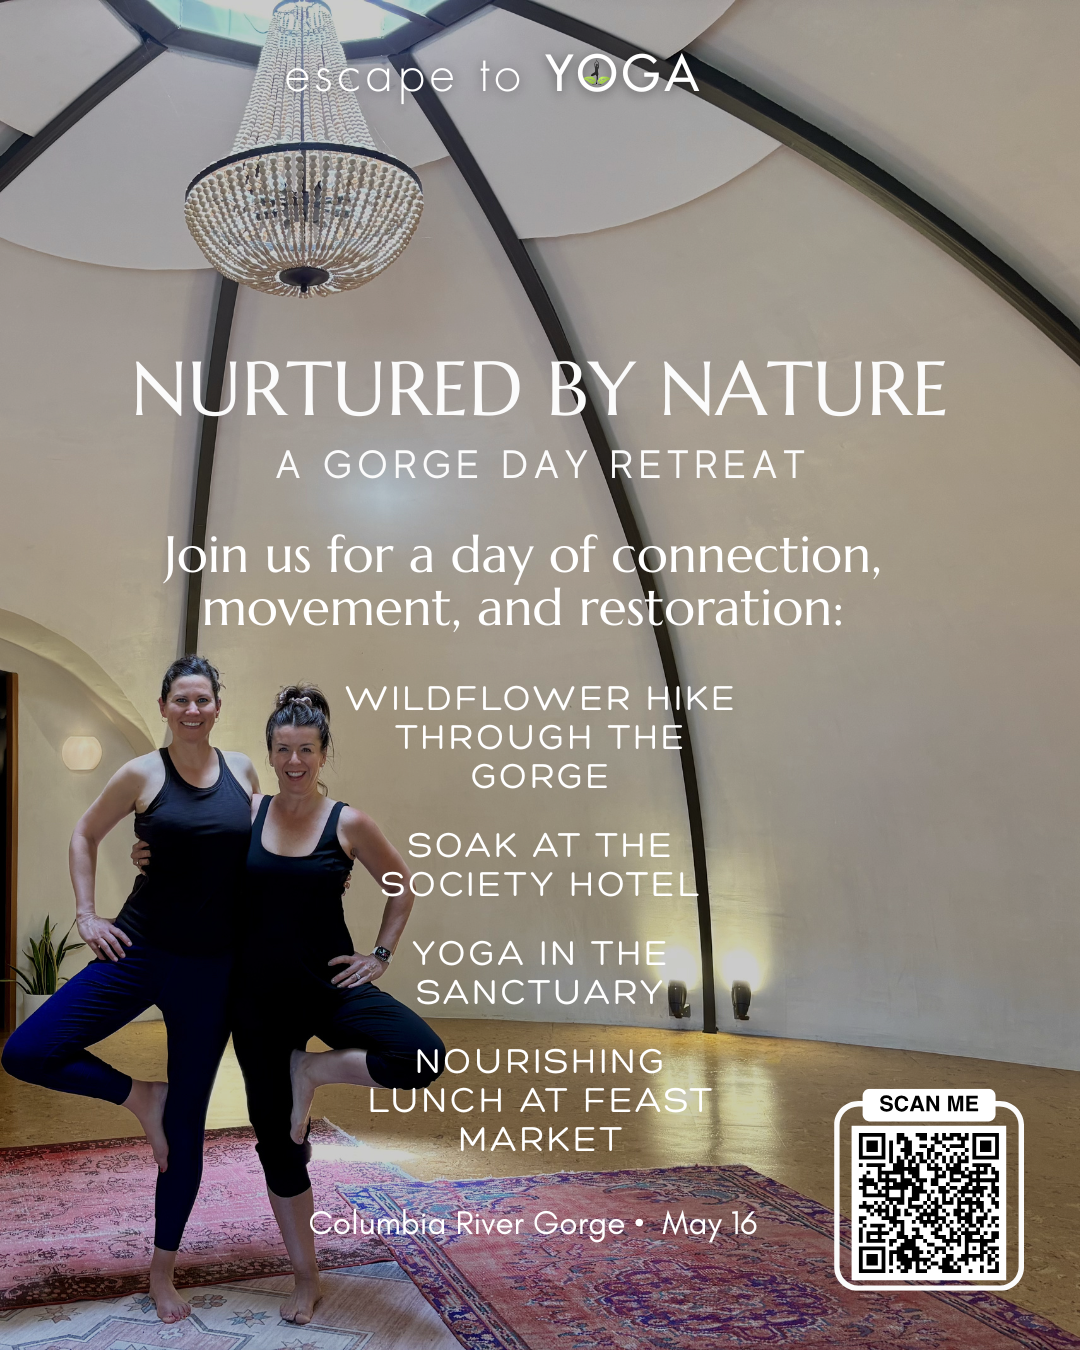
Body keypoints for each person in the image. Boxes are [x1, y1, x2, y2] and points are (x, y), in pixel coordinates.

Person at [1, 656, 258, 1324]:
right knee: (28, 1050)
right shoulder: (143, 772)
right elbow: (85, 833)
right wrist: (88, 914)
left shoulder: (242, 772)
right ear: (166, 705)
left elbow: (259, 852)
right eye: (181, 700)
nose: (193, 710)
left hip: (212, 969)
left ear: (217, 705)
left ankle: (162, 1270)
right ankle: (141, 1096)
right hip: (138, 950)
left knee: (188, 1132)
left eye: (204, 699)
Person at [232, 684, 444, 1325]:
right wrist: (144, 853)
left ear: (324, 752)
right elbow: (192, 868)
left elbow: (402, 889)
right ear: (270, 752)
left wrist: (378, 955)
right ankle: (307, 1275)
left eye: (306, 749)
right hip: (259, 1001)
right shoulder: (247, 813)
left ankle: (313, 1070)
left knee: (420, 1055)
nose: (294, 760)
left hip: (327, 987)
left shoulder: (348, 822)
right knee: (278, 1140)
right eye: (282, 749)